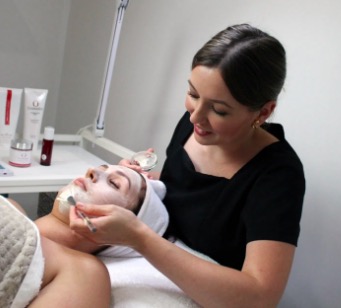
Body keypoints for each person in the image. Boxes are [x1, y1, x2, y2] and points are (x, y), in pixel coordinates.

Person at [68, 23, 306, 307]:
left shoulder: (277, 175)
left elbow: (260, 297)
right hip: (147, 260)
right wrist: (141, 181)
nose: (195, 118)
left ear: (263, 112)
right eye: (193, 94)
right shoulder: (194, 125)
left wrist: (139, 238)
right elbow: (185, 195)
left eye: (219, 110)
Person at [34, 164, 169, 257]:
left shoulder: (85, 274)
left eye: (114, 183)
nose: (92, 171)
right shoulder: (13, 207)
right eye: (101, 168)